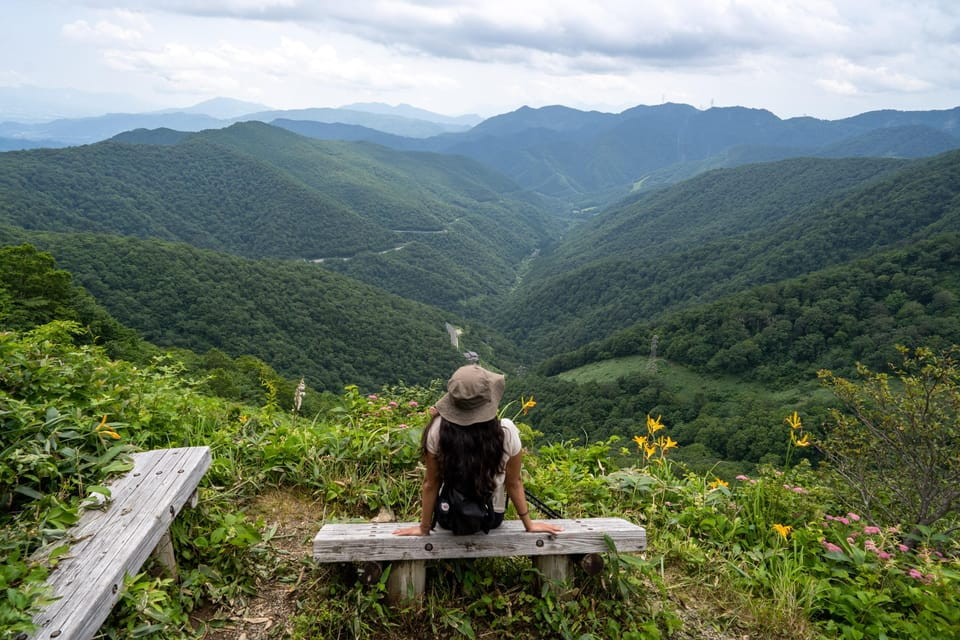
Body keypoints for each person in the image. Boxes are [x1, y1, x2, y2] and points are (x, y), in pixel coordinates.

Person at [393, 364, 563, 537]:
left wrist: (424, 528)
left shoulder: (437, 430)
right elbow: (514, 482)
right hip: (490, 518)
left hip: (449, 516)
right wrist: (529, 524)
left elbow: (431, 483)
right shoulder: (505, 430)